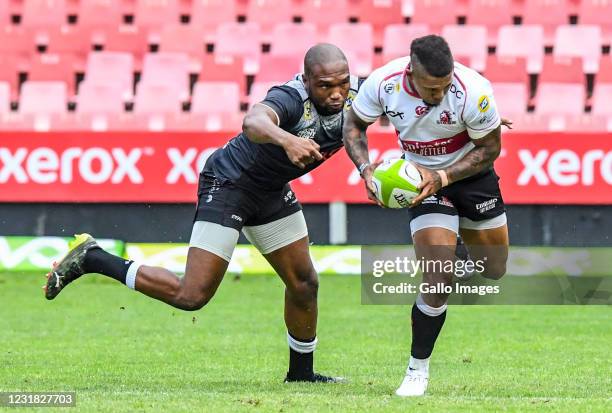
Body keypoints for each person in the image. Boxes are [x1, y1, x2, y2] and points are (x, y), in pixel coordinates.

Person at [44, 43, 358, 383]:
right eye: (326, 85)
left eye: (343, 83)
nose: (337, 93)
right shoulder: (290, 97)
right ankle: (94, 258)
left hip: (270, 191)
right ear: (306, 79)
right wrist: (288, 140)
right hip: (229, 185)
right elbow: (253, 121)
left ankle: (301, 375)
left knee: (305, 282)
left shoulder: (359, 96)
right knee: (191, 295)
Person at [342, 35, 509, 396]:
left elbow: (490, 147)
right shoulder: (383, 84)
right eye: (431, 89)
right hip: (418, 179)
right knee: (438, 276)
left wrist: (445, 176)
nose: (439, 96)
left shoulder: (474, 89)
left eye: (444, 87)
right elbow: (353, 125)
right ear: (411, 72)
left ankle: (461, 249)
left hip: (471, 177)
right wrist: (366, 171)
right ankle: (417, 369)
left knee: (494, 269)